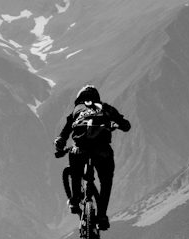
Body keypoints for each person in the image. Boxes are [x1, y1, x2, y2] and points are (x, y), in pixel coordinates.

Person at [54, 85, 131, 230]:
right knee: (106, 181)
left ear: (79, 98)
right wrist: (118, 124)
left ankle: (75, 200)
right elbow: (126, 126)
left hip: (80, 149)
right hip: (103, 151)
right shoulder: (106, 108)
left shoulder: (76, 110)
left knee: (76, 172)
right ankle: (101, 216)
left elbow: (64, 134)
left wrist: (59, 144)